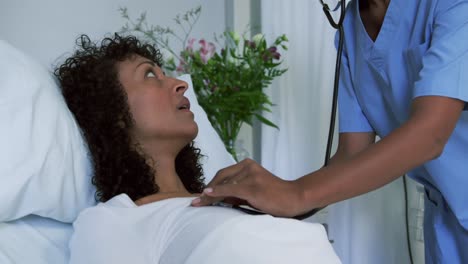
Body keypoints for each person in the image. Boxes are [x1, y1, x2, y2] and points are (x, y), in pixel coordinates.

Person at [192, 0, 468, 262]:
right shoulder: (351, 27)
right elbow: (352, 152)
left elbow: (430, 134)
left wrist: (296, 194)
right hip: (448, 226)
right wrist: (266, 194)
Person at [55, 34, 340, 264]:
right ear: (112, 112)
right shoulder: (113, 220)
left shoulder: (231, 202)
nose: (180, 84)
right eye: (151, 75)